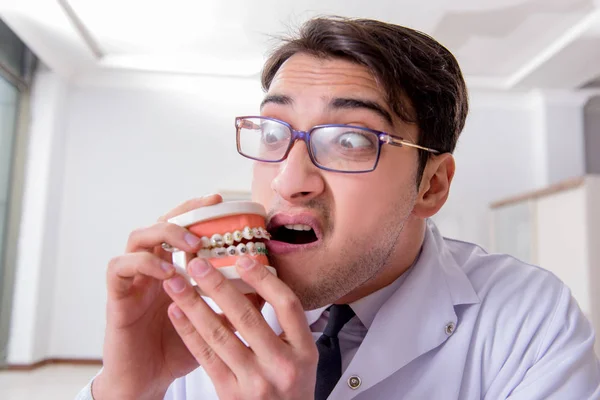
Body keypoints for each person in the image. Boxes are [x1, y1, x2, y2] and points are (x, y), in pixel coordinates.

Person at [76, 16, 600, 400]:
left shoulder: (529, 318)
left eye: (349, 140)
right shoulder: (199, 308)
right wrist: (128, 389)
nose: (290, 178)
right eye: (274, 132)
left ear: (432, 186)